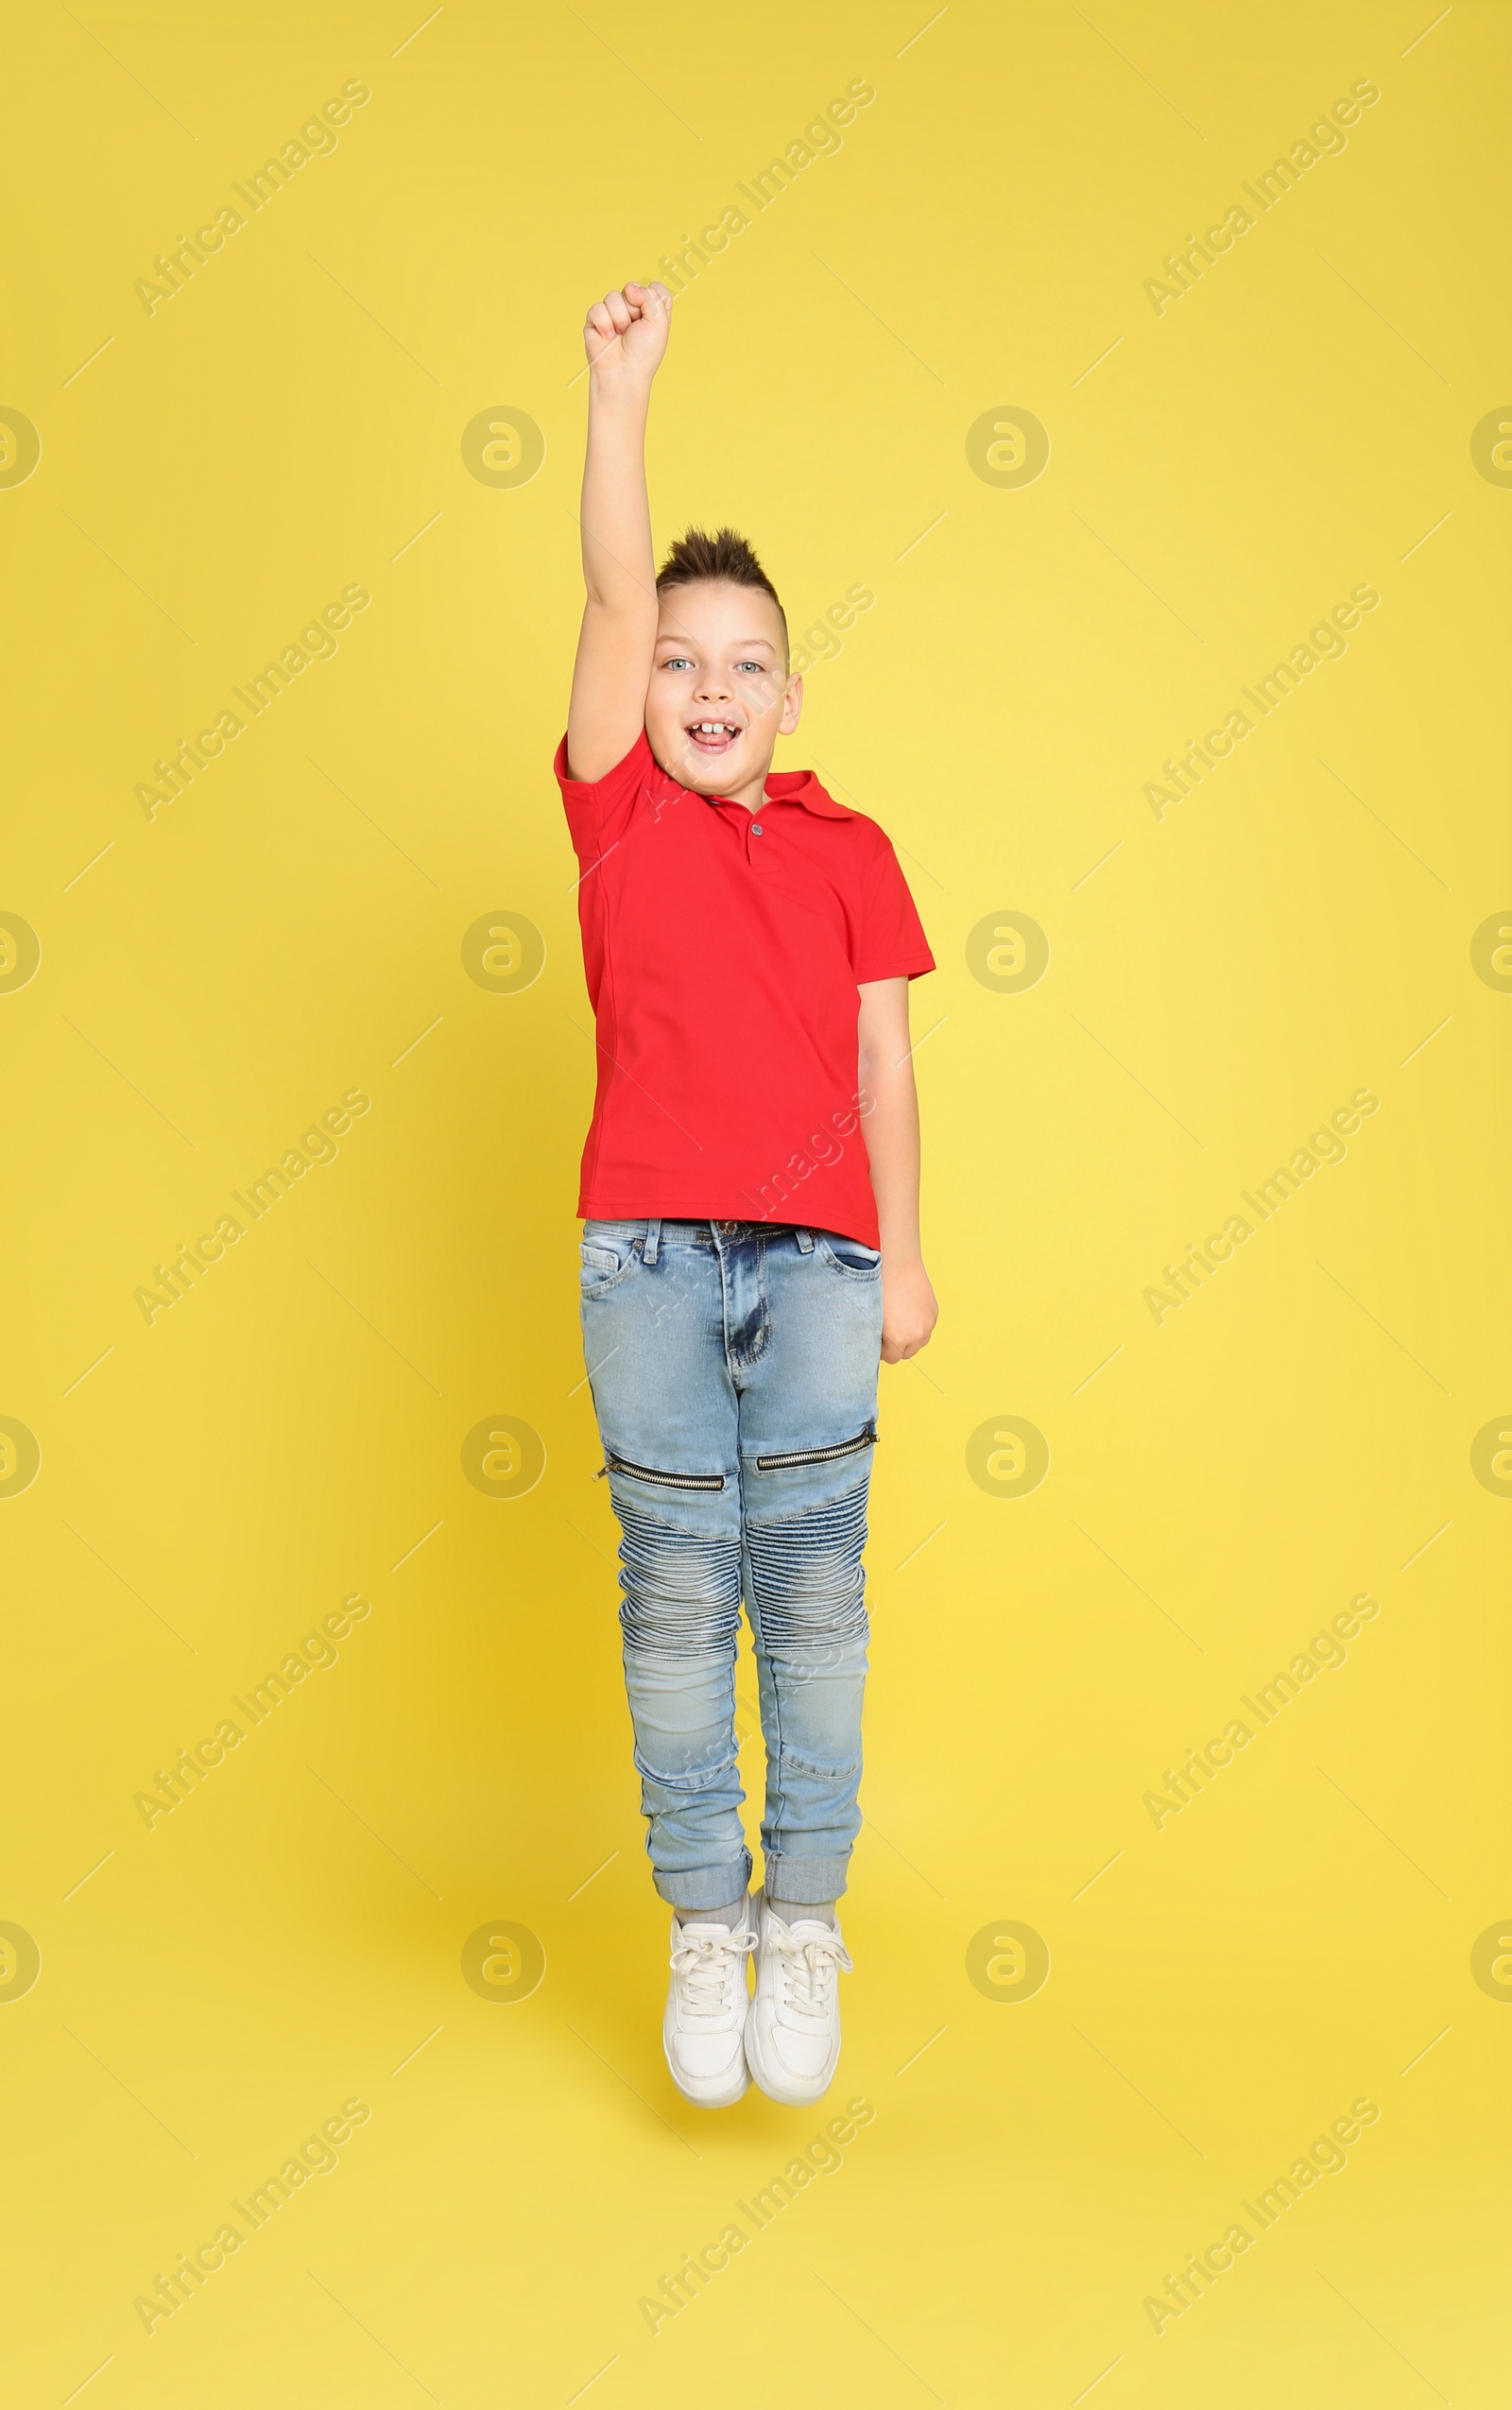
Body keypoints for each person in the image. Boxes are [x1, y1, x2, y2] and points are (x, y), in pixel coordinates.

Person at [557, 278, 937, 2109]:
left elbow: (882, 1065)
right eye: (677, 660)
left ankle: (803, 1919)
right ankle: (702, 1920)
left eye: (744, 663)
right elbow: (614, 590)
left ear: (793, 688)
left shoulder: (853, 851)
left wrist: (907, 1259)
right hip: (639, 1252)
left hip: (819, 1263)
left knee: (809, 1589)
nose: (704, 684)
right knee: (669, 1584)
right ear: (640, 692)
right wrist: (620, 404)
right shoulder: (615, 811)